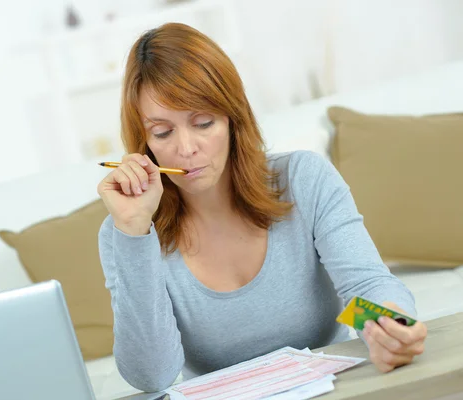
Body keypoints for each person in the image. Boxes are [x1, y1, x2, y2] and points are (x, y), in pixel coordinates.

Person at [96, 22, 427, 392]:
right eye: (163, 132)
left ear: (232, 118)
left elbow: (363, 286)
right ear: (145, 142)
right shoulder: (125, 232)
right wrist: (135, 232)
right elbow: (152, 377)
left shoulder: (302, 178)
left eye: (203, 122)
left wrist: (387, 327)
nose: (186, 148)